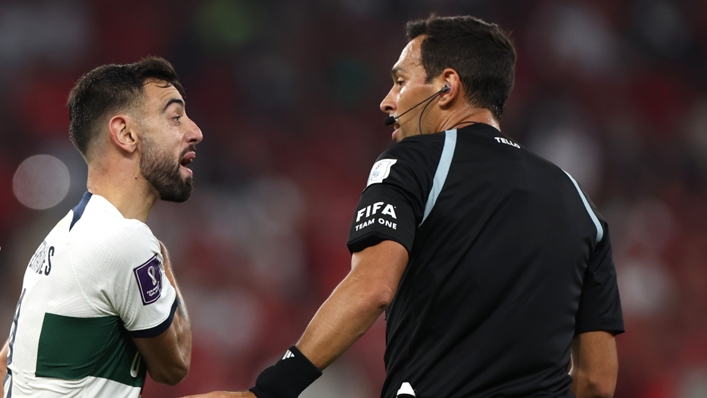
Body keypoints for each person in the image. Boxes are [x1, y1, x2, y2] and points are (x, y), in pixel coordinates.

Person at [184, 14, 623, 398]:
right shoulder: (579, 201)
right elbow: (596, 382)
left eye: (399, 81)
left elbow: (372, 288)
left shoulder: (416, 160)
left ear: (447, 87)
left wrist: (271, 390)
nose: (386, 100)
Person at [1, 56, 203, 398]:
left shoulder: (61, 237)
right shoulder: (127, 240)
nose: (194, 131)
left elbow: (9, 358)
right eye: (175, 117)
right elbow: (175, 366)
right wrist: (162, 259)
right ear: (125, 134)